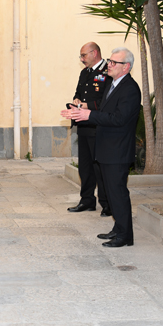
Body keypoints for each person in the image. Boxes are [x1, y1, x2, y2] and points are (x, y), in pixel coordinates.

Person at [62, 47, 141, 248]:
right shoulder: (113, 84)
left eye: (115, 63)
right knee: (111, 192)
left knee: (118, 192)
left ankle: (126, 236)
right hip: (107, 148)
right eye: (110, 61)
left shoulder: (130, 88)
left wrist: (89, 116)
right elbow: (102, 109)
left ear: (127, 67)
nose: (110, 65)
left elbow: (119, 118)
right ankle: (118, 228)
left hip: (118, 150)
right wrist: (80, 110)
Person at [67, 42, 111, 217]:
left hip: (98, 127)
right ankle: (87, 200)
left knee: (100, 167)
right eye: (81, 56)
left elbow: (107, 101)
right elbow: (79, 93)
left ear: (95, 53)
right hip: (84, 126)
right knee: (84, 167)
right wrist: (76, 101)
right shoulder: (85, 73)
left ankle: (107, 203)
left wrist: (88, 105)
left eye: (84, 55)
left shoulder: (108, 71)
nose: (82, 59)